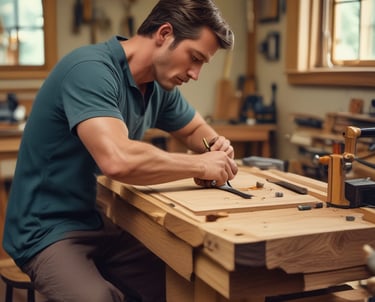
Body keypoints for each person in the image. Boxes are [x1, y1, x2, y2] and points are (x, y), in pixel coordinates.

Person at [3, 0, 237, 301]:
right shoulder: (90, 70)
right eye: (194, 58)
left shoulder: (158, 88)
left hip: (98, 220)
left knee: (184, 281)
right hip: (45, 230)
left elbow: (194, 130)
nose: (195, 74)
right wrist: (202, 166)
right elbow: (117, 160)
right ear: (164, 34)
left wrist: (215, 146)